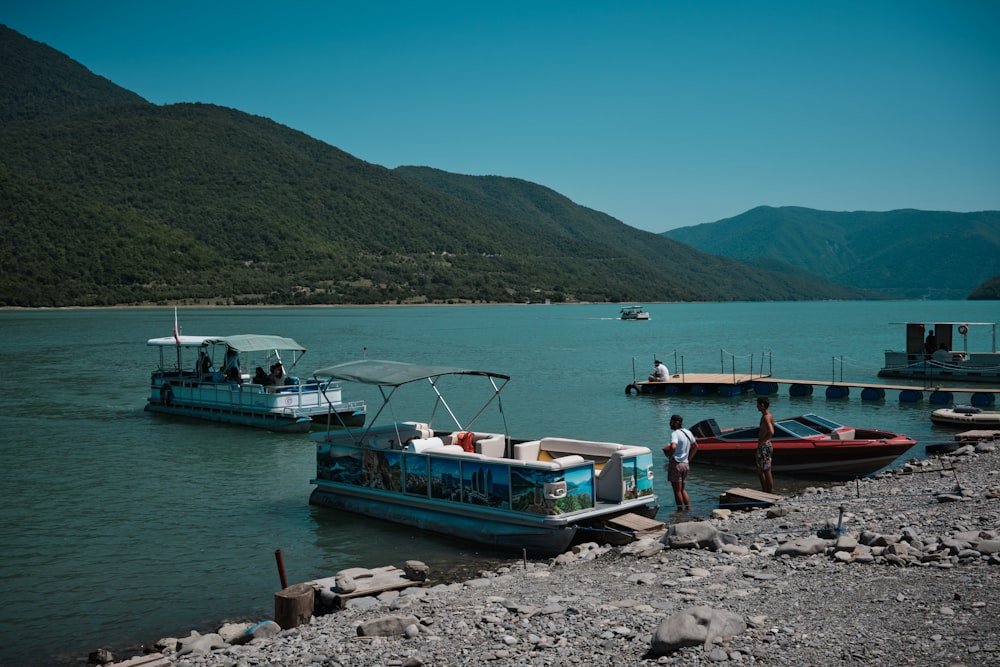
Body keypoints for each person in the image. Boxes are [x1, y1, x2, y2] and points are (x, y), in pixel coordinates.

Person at [665, 414, 697, 511]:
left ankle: (680, 512)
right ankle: (688, 509)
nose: (669, 424)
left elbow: (673, 446)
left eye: (671, 421)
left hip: (677, 464)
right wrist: (689, 459)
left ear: (676, 422)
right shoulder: (688, 432)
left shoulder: (675, 433)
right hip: (685, 465)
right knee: (682, 489)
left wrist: (671, 458)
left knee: (677, 491)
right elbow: (696, 447)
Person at [756, 396, 775, 493]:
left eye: (758, 405)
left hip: (764, 446)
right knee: (760, 470)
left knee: (766, 470)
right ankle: (764, 490)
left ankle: (769, 492)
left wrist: (763, 442)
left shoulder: (766, 417)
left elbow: (771, 431)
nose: (757, 407)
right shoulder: (769, 415)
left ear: (762, 405)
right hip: (764, 446)